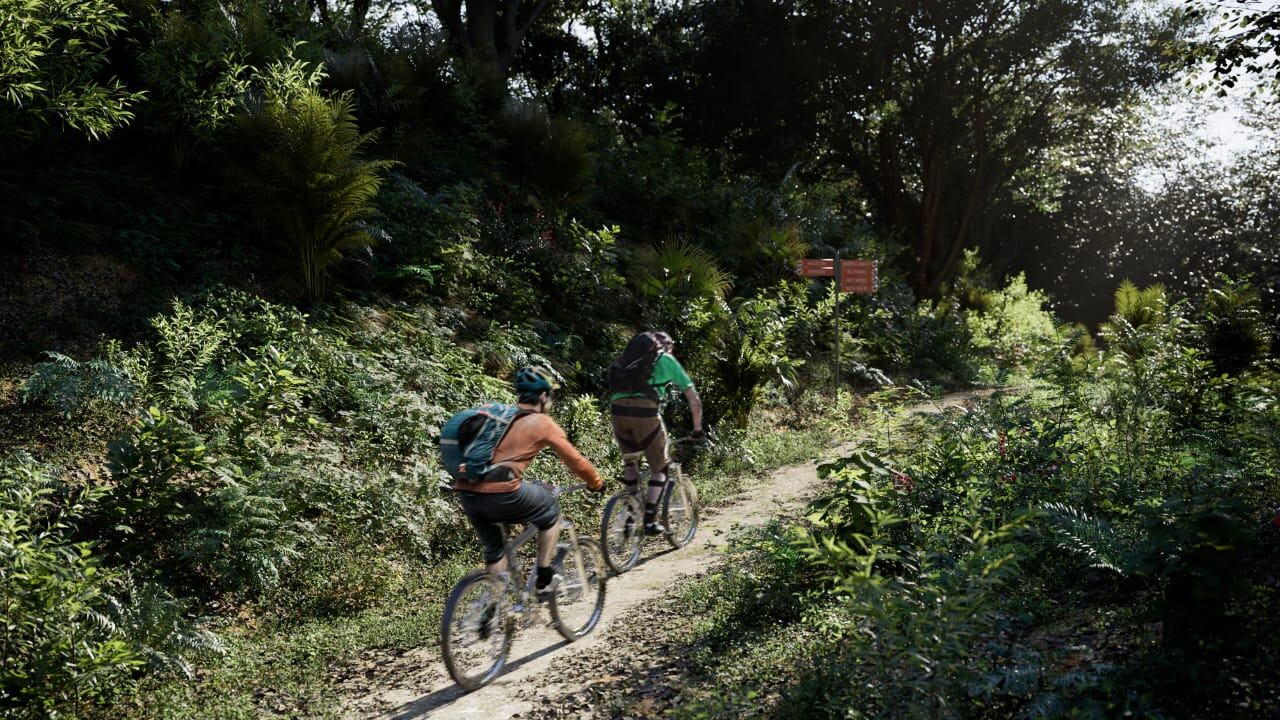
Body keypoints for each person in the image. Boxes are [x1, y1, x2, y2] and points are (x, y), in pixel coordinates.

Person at [452, 366, 605, 601]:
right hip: (502, 493)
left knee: (496, 551)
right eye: (551, 396)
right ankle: (544, 577)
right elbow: (575, 461)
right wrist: (595, 482)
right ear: (543, 396)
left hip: (468, 493)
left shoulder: (501, 417)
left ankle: (490, 607)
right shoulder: (542, 423)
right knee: (550, 510)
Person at [608, 331, 704, 535]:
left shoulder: (627, 360)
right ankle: (650, 520)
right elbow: (693, 398)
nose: (672, 349)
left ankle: (631, 512)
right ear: (663, 345)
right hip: (645, 413)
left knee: (631, 460)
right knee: (660, 469)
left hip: (617, 412)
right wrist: (697, 429)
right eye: (671, 345)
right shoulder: (665, 360)